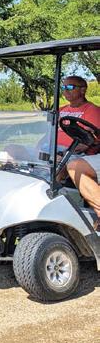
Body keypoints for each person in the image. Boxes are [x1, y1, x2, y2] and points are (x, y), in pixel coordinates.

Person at [60, 76, 100, 231]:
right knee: (13, 150)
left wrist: (65, 152)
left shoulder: (93, 110)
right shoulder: (61, 110)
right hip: (54, 149)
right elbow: (47, 134)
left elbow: (90, 141)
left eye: (70, 87)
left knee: (66, 163)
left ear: (83, 90)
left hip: (74, 152)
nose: (65, 91)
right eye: (63, 87)